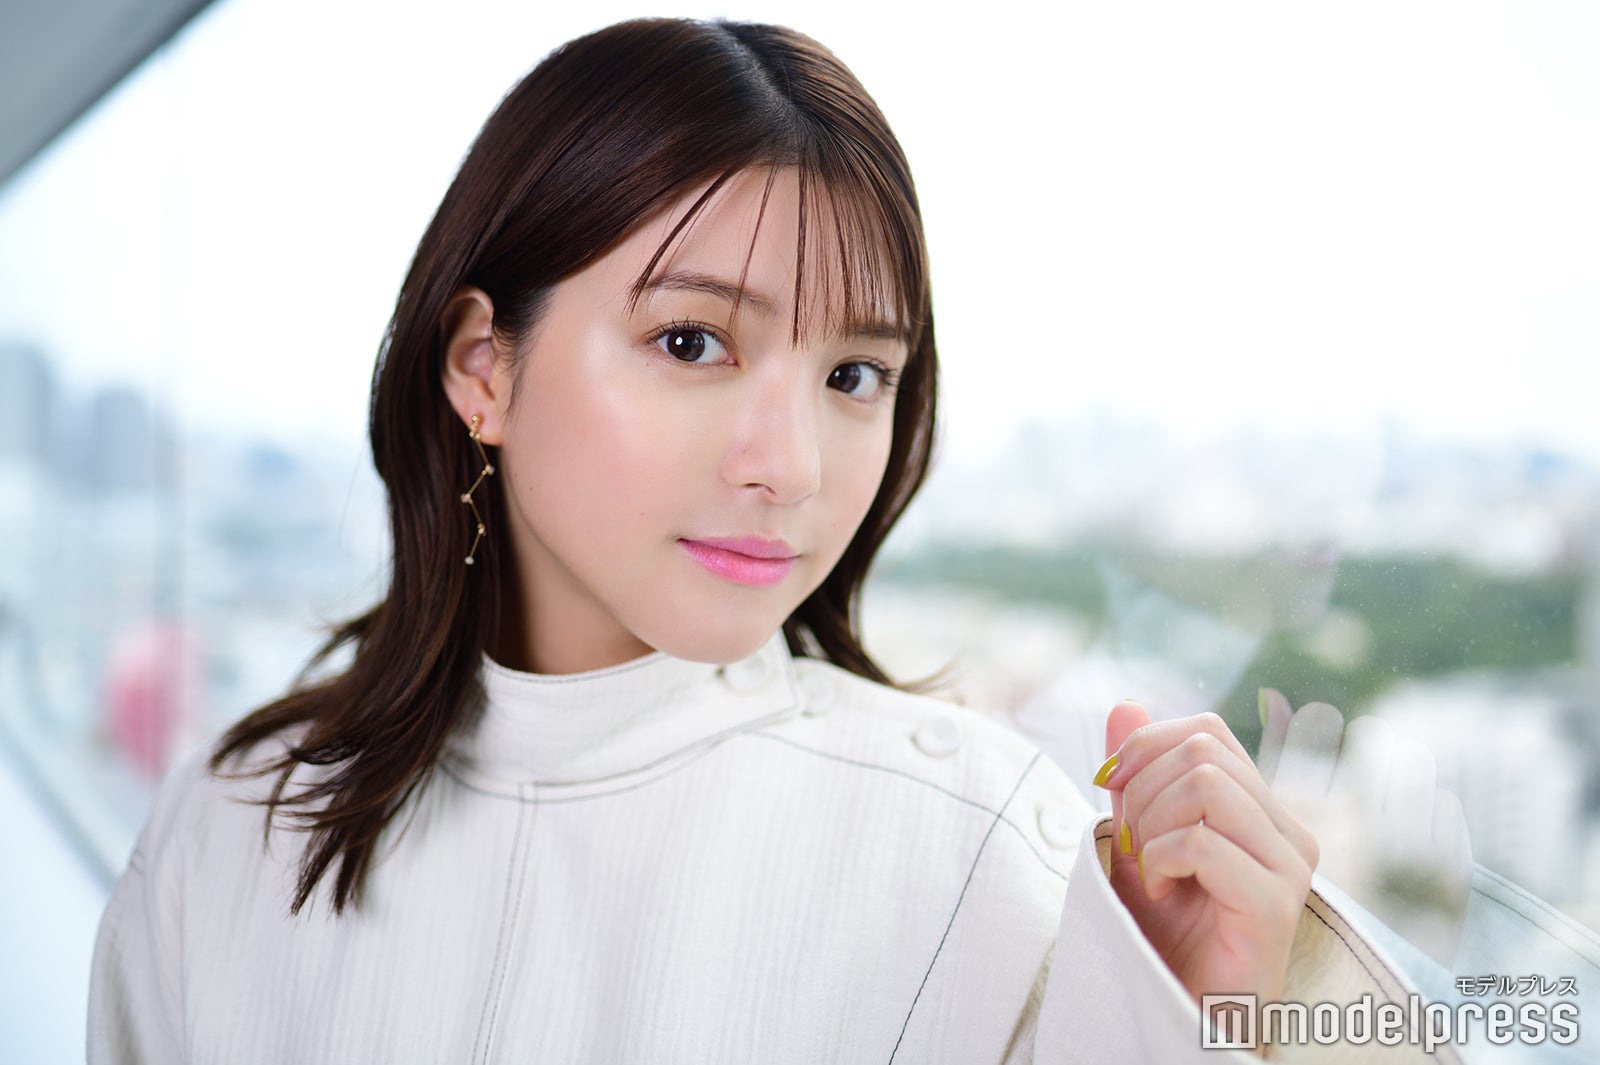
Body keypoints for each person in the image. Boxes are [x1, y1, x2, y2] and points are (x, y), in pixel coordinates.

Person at [87, 18, 1443, 1063]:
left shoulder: (989, 852)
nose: (789, 463)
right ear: (483, 365)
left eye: (855, 375)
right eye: (692, 342)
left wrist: (1196, 1016)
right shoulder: (230, 825)